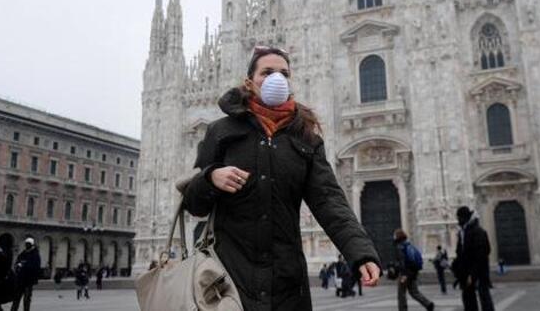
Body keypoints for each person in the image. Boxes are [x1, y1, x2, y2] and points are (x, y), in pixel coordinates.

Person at [183, 46, 382, 310]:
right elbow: (193, 203)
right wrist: (210, 178)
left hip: (287, 283)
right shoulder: (222, 131)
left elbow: (329, 200)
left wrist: (360, 252)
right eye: (267, 72)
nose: (276, 78)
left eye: (283, 73)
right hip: (230, 281)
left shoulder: (305, 138)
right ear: (249, 82)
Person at [452, 206, 495, 311]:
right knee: (468, 297)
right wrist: (456, 266)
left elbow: (482, 253)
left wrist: (473, 273)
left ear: (464, 218)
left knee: (484, 296)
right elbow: (461, 253)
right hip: (466, 271)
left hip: (478, 271)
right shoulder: (463, 232)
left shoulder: (477, 231)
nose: (458, 220)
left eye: (459, 218)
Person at [394, 229, 435, 311]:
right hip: (413, 273)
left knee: (401, 294)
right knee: (414, 292)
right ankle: (428, 304)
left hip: (405, 274)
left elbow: (403, 262)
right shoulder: (409, 245)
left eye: (394, 235)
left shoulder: (400, 246)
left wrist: (404, 274)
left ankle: (403, 309)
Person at [10, 238, 41, 311]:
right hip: (20, 280)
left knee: (27, 299)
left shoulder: (35, 254)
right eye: (26, 243)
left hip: (28, 281)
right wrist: (18, 265)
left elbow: (35, 267)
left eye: (28, 244)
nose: (27, 245)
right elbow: (18, 261)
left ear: (32, 244)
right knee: (16, 298)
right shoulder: (23, 253)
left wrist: (24, 265)